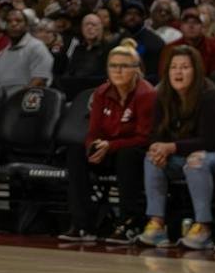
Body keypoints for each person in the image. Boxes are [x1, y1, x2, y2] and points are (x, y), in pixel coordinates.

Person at [137, 45, 215, 251]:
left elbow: (208, 141)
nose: (178, 72)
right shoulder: (163, 94)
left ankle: (203, 228)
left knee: (196, 161)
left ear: (196, 70)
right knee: (151, 158)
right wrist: (158, 148)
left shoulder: (210, 96)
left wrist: (171, 147)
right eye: (173, 67)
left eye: (184, 67)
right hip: (182, 153)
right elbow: (155, 134)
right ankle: (156, 224)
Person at [58, 40, 155, 245]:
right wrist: (94, 146)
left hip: (136, 152)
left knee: (128, 155)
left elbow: (145, 138)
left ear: (136, 69)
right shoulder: (101, 92)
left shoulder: (146, 94)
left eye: (124, 66)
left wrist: (111, 146)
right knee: (76, 151)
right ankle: (83, 224)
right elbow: (93, 132)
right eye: (113, 65)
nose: (118, 70)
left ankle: (129, 222)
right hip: (107, 150)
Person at [0, 8, 54, 94]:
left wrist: (16, 101)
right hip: (3, 103)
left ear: (27, 26)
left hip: (27, 102)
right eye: (9, 21)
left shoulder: (37, 47)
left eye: (18, 21)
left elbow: (39, 81)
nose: (13, 24)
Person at [65, 12, 112, 83]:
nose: (89, 28)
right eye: (86, 25)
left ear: (101, 28)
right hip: (75, 87)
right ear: (82, 29)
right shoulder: (78, 48)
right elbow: (69, 72)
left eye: (93, 25)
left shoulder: (108, 49)